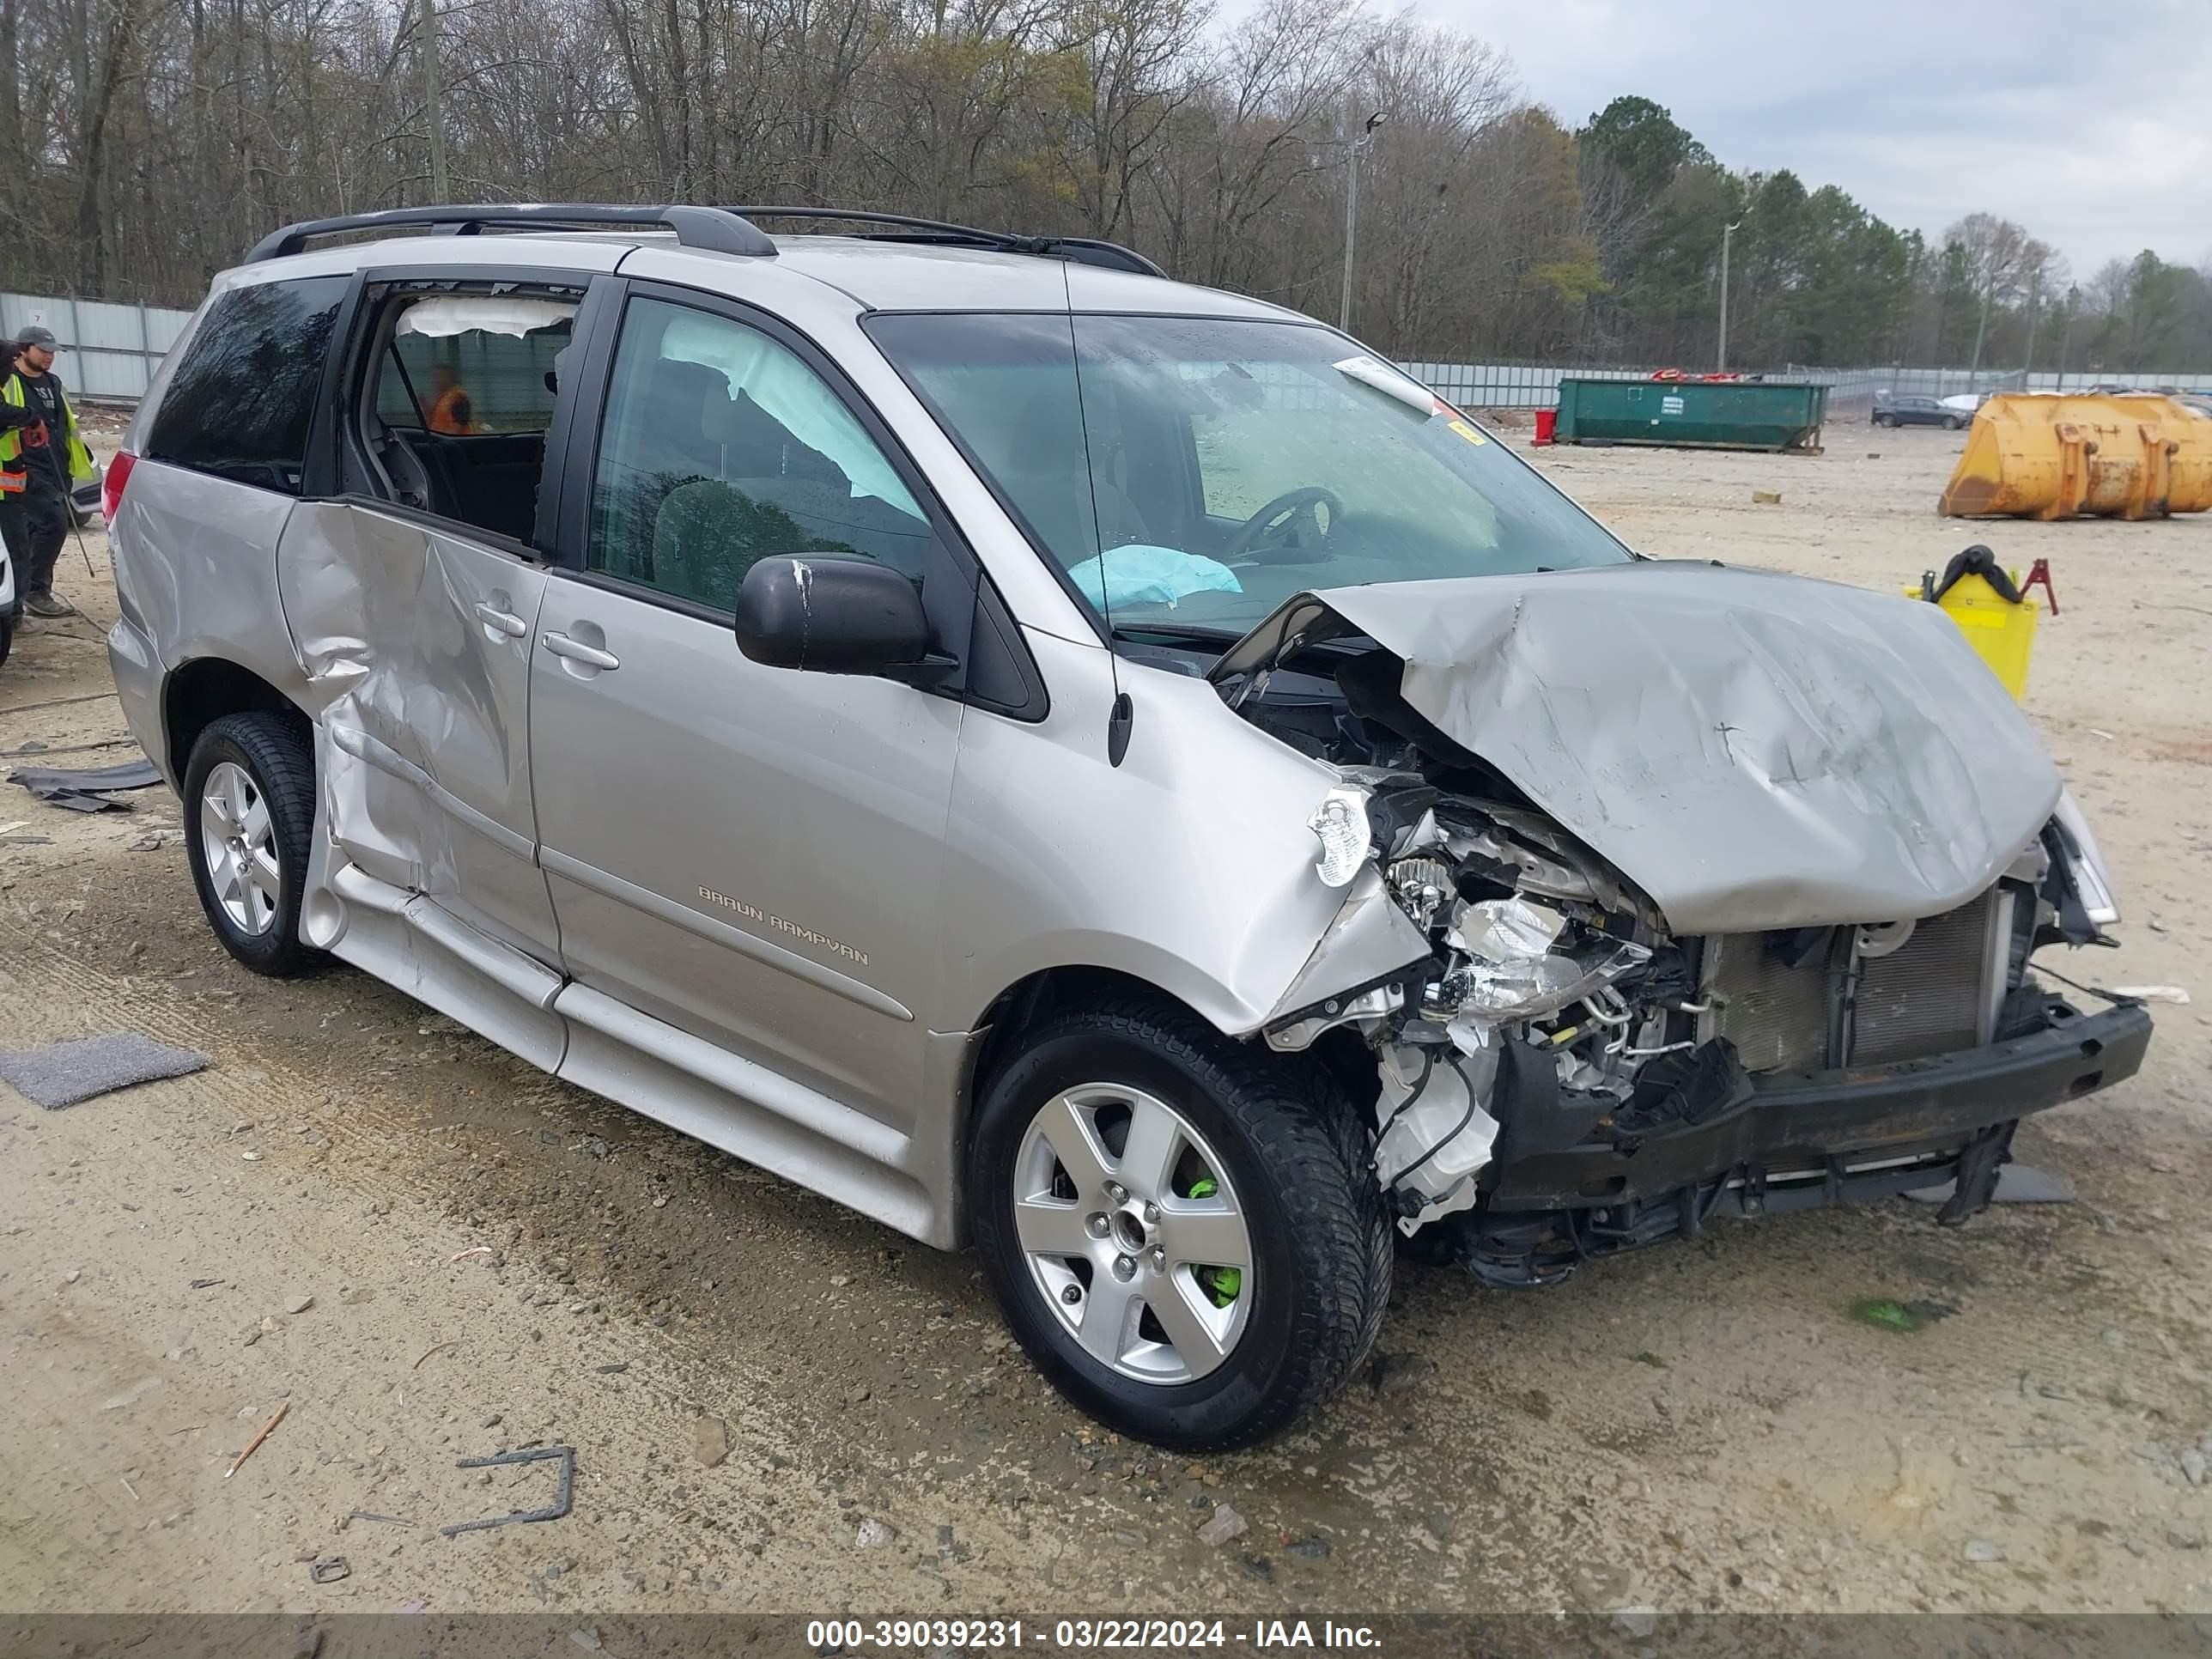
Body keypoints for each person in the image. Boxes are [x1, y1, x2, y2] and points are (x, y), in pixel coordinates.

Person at [2, 325, 94, 618]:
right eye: (43, 351)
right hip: (24, 466)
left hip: (56, 465)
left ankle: (25, 589)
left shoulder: (53, 383)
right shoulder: (10, 381)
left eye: (52, 353)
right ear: (23, 350)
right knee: (53, 523)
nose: (49, 357)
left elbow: (62, 425)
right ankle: (34, 591)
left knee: (30, 531)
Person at [426, 361, 477, 434]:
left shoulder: (458, 397)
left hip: (455, 442)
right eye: (435, 376)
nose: (435, 380)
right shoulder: (442, 396)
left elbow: (459, 425)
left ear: (449, 378)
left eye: (439, 376)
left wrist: (444, 439)